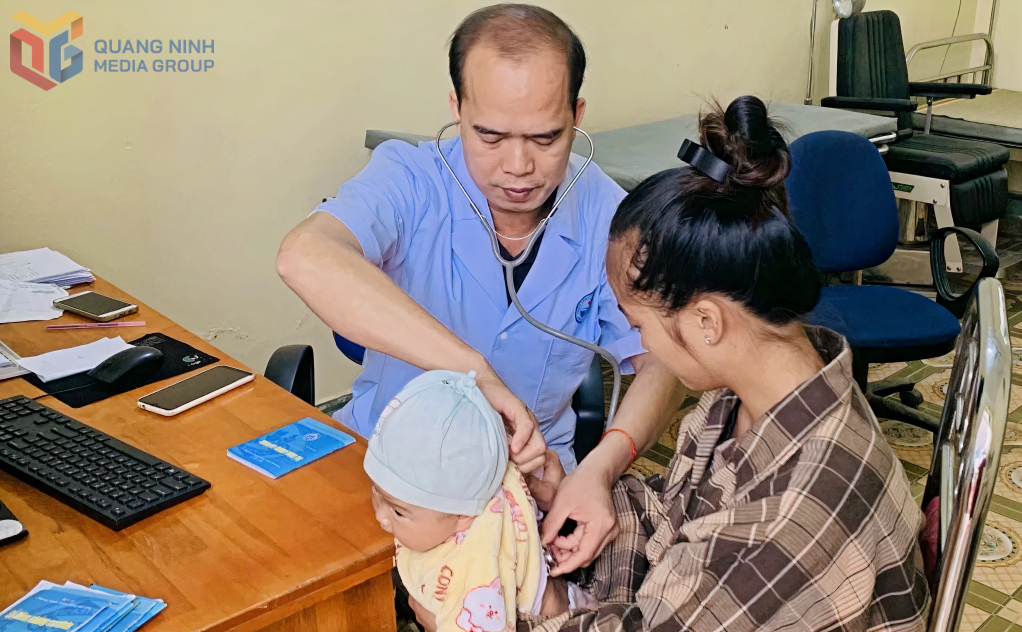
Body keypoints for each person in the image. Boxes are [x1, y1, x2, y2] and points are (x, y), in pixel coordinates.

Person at [510, 95, 928, 631]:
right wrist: (577, 490)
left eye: (638, 327)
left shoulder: (789, 515)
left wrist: (492, 618)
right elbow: (673, 518)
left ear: (706, 320)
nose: (643, 349)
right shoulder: (753, 391)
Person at [276, 3, 684, 539]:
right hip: (386, 471)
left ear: (577, 114)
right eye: (489, 136)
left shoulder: (610, 217)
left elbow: (665, 360)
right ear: (457, 107)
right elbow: (304, 255)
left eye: (545, 138)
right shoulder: (410, 178)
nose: (517, 166)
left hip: (528, 487)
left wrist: (602, 468)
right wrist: (476, 372)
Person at [364, 369, 597, 632]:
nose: (380, 517)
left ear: (463, 517)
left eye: (397, 512)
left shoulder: (474, 566)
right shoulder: (482, 479)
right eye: (376, 491)